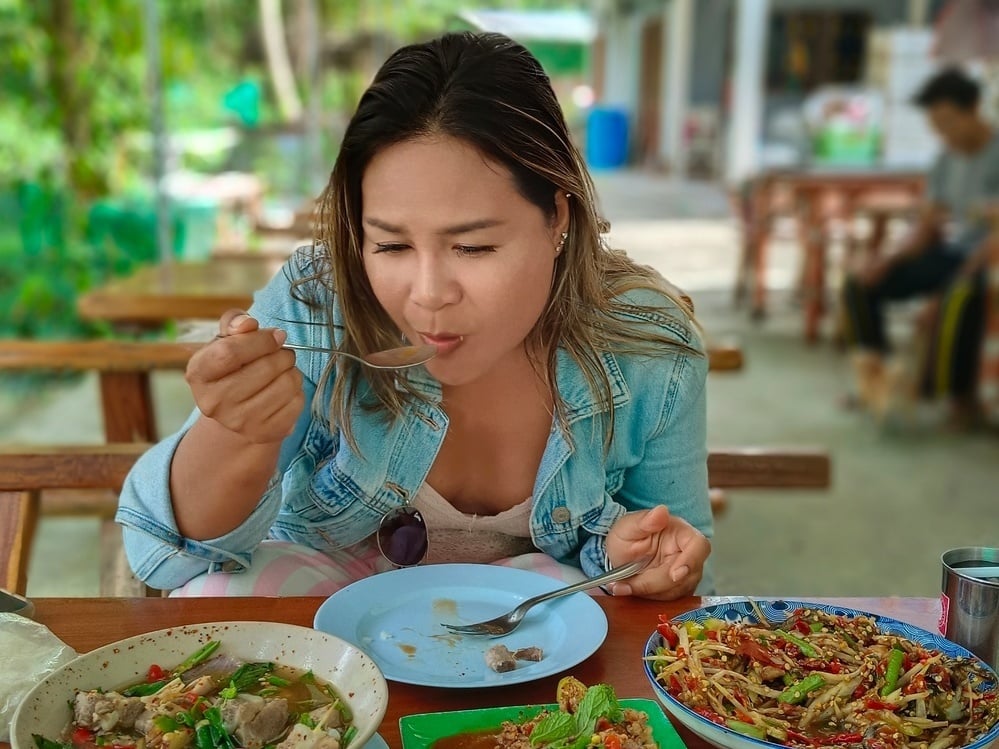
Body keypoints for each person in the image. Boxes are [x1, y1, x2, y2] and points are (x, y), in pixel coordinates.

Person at [116, 31, 713, 599]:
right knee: (216, 598)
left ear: (558, 216)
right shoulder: (316, 305)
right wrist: (237, 433)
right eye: (391, 245)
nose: (428, 294)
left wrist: (645, 558)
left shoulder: (647, 343)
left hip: (533, 617)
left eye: (473, 247)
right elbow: (171, 555)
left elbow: (670, 561)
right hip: (330, 601)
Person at [841, 68, 995, 427]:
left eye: (948, 121)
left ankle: (959, 400)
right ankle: (874, 377)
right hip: (953, 252)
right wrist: (885, 260)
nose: (942, 131)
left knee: (957, 296)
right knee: (860, 283)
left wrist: (941, 294)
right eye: (935, 124)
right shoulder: (946, 159)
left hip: (988, 258)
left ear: (974, 108)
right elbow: (927, 225)